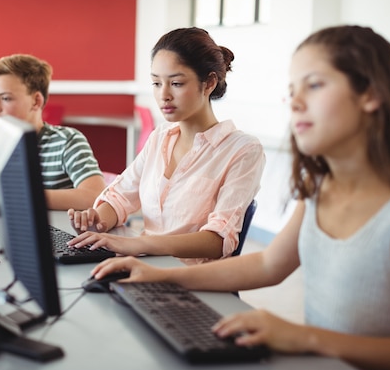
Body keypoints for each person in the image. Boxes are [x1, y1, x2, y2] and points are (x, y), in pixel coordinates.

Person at [90, 25, 390, 370]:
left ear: (371, 94)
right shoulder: (322, 190)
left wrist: (304, 338)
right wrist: (161, 276)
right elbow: (271, 263)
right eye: (291, 90)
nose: (295, 102)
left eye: (314, 85)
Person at [67, 27, 266, 264]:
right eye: (156, 83)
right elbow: (119, 196)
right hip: (144, 265)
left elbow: (218, 240)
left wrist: (138, 244)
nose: (164, 95)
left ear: (209, 83)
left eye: (177, 83)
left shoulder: (243, 150)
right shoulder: (160, 137)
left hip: (193, 281)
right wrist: (97, 221)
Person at [0, 54, 106, 210]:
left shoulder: (67, 141)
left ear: (36, 101)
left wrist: (20, 196)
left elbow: (95, 196)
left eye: (5, 98)